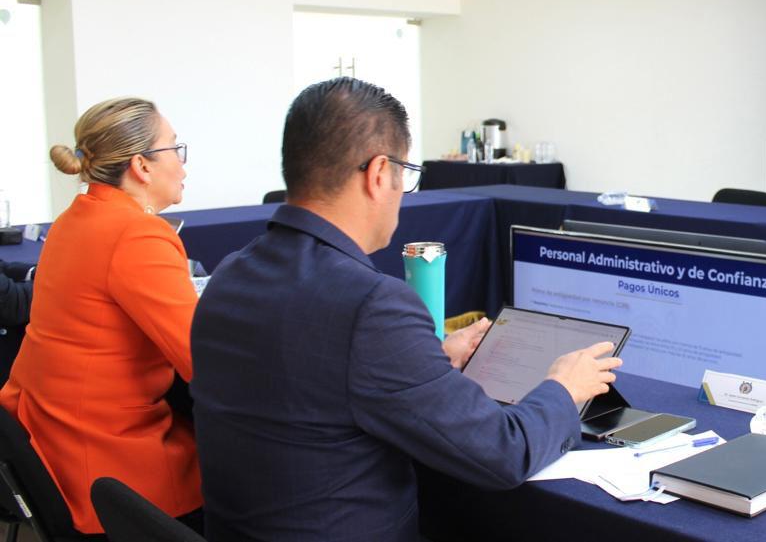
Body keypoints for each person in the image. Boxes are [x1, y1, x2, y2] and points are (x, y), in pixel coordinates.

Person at [191, 77, 622, 542]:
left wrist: (427, 357)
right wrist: (564, 388)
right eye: (405, 174)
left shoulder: (230, 274)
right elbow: (503, 453)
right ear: (380, 173)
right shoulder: (371, 305)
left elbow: (308, 377)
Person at [0, 97, 201, 534]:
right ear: (141, 166)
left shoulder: (74, 219)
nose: (183, 164)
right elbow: (202, 361)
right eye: (175, 148)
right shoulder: (138, 234)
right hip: (106, 461)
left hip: (49, 437)